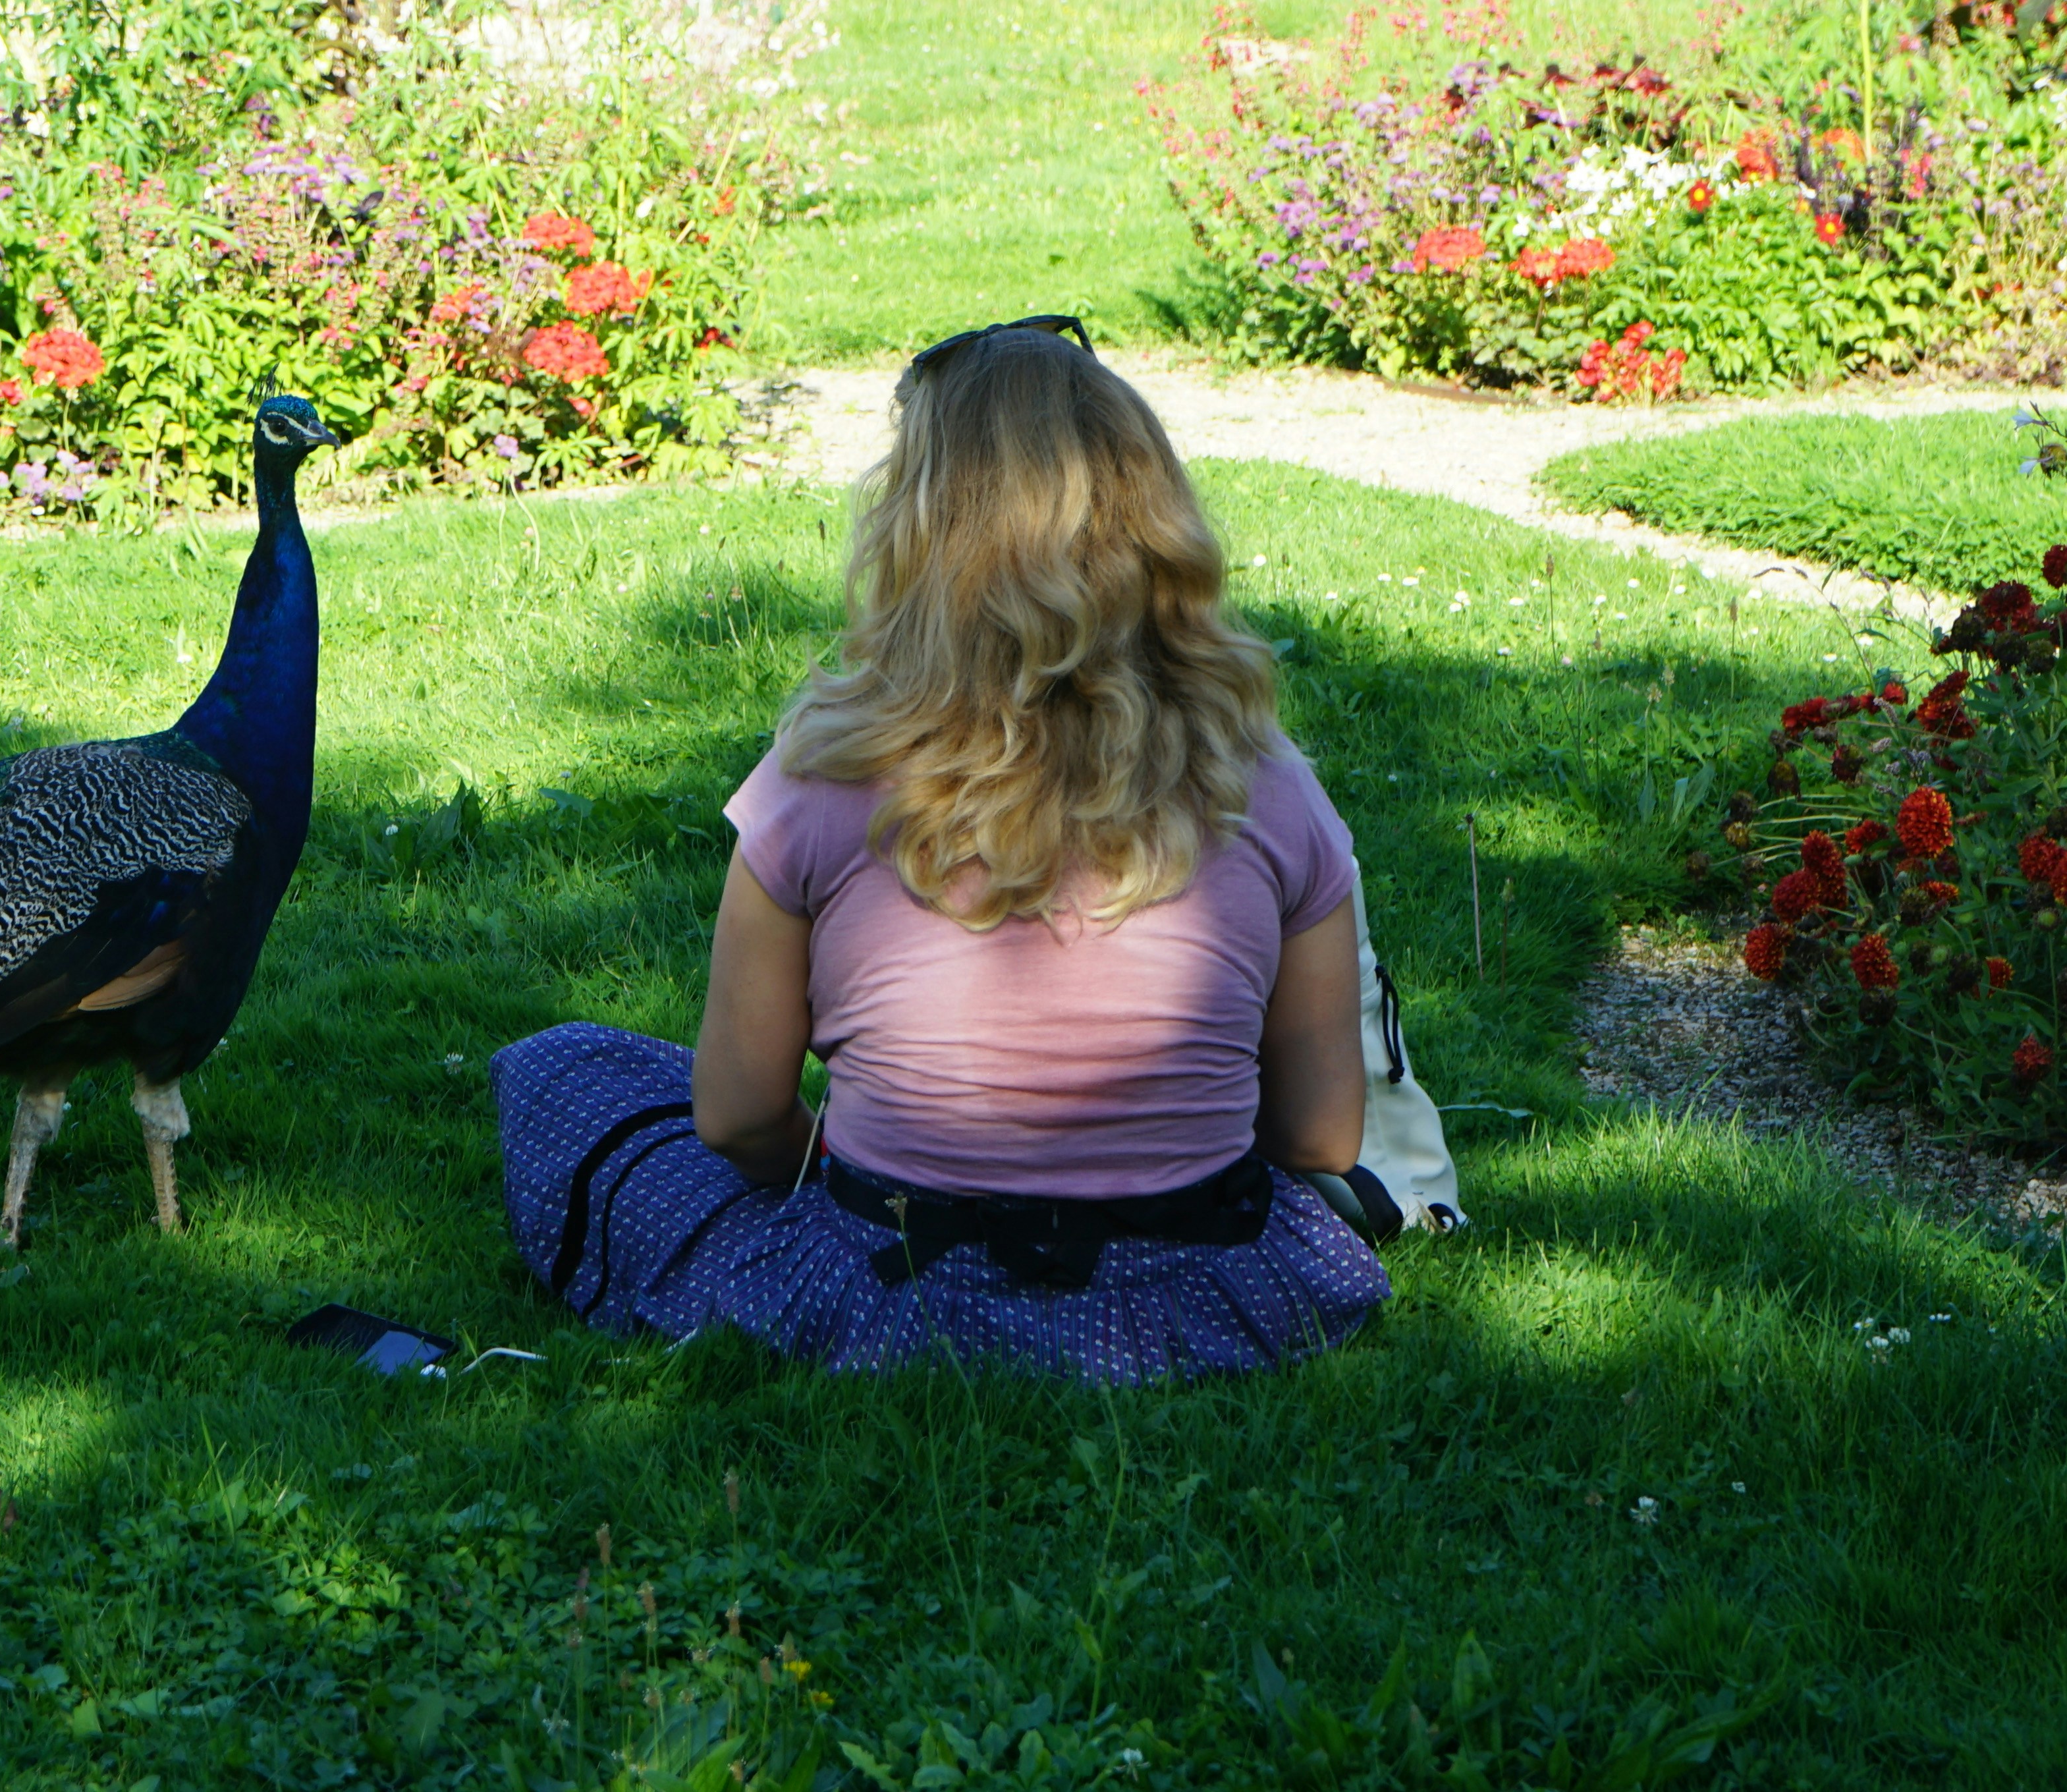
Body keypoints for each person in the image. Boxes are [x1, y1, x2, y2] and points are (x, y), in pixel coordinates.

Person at [491, 317, 1397, 1384]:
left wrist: (835, 1159)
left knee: (565, 1070)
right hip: (1198, 1288)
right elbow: (1324, 1141)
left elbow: (737, 1115)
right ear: (1154, 524)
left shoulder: (822, 776)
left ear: (916, 529)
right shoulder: (1270, 782)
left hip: (898, 1290)